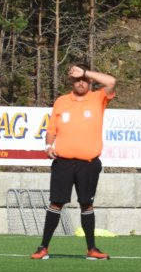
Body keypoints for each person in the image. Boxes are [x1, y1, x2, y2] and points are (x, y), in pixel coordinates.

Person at [31, 63, 117, 261]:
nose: (81, 83)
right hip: (63, 162)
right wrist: (48, 146)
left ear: (90, 81)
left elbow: (112, 81)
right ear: (71, 81)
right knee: (56, 203)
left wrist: (85, 72)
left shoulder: (98, 98)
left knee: (87, 204)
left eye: (84, 79)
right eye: (77, 79)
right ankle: (43, 247)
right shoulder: (61, 101)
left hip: (89, 163)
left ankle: (92, 248)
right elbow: (52, 128)